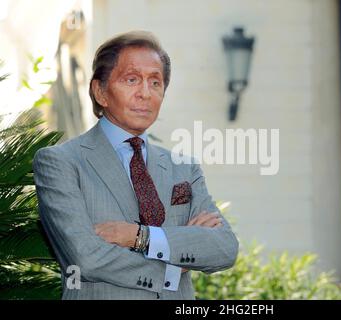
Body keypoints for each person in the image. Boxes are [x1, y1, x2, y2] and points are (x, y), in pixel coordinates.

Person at [32, 30, 239, 300]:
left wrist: (140, 237)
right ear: (100, 91)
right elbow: (87, 258)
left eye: (155, 82)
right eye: (132, 79)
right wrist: (176, 262)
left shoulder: (183, 168)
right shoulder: (60, 163)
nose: (146, 93)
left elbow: (224, 248)